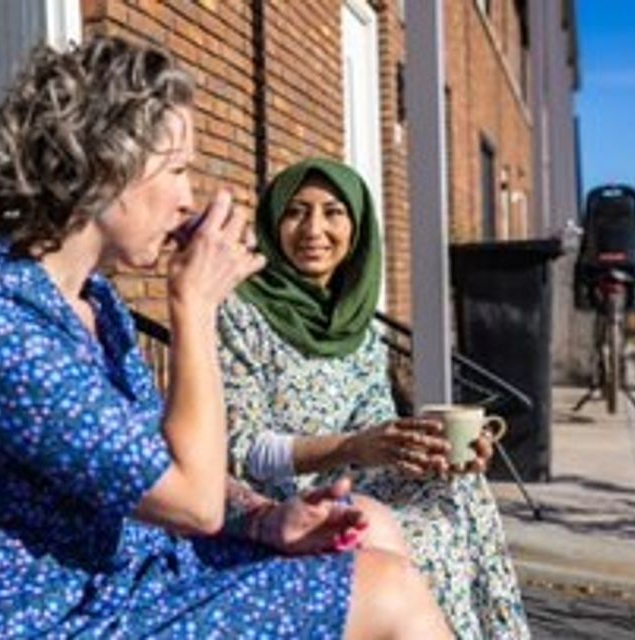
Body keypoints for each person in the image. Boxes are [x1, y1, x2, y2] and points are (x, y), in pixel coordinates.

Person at [0, 37, 453, 639]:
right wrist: (194, 307)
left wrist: (267, 517)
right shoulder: (11, 326)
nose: (189, 199)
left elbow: (163, 463)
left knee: (368, 524)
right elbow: (191, 501)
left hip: (145, 575)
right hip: (72, 613)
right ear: (105, 166)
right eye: (178, 169)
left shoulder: (97, 304)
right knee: (388, 596)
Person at [218, 158, 531, 639]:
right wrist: (351, 447)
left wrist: (430, 454)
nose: (314, 229)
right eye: (296, 212)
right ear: (272, 221)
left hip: (357, 485)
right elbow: (240, 450)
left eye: (333, 212)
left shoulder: (357, 326)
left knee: (460, 492)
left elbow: (376, 427)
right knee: (425, 540)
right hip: (279, 503)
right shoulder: (241, 312)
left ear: (357, 227)